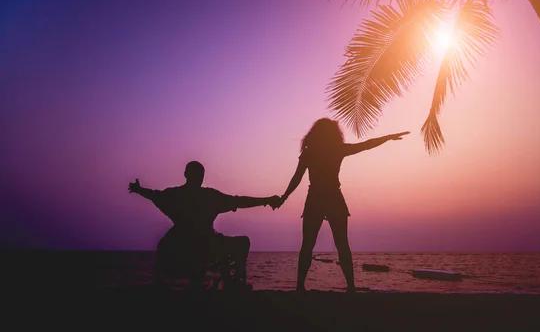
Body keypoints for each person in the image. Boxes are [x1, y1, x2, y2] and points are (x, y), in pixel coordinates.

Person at [274, 118, 409, 292]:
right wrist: (388, 137)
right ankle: (350, 287)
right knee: (340, 244)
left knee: (309, 244)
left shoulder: (311, 152)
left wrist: (284, 197)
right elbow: (366, 145)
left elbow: (297, 178)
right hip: (331, 198)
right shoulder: (335, 150)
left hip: (316, 198)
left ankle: (301, 286)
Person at [128, 161, 279, 290]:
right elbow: (239, 201)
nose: (199, 178)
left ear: (186, 174)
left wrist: (139, 190)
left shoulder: (175, 195)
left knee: (164, 244)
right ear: (190, 175)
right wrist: (267, 200)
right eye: (198, 175)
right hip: (205, 245)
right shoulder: (208, 196)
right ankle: (231, 283)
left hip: (185, 244)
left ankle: (160, 284)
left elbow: (155, 195)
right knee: (240, 243)